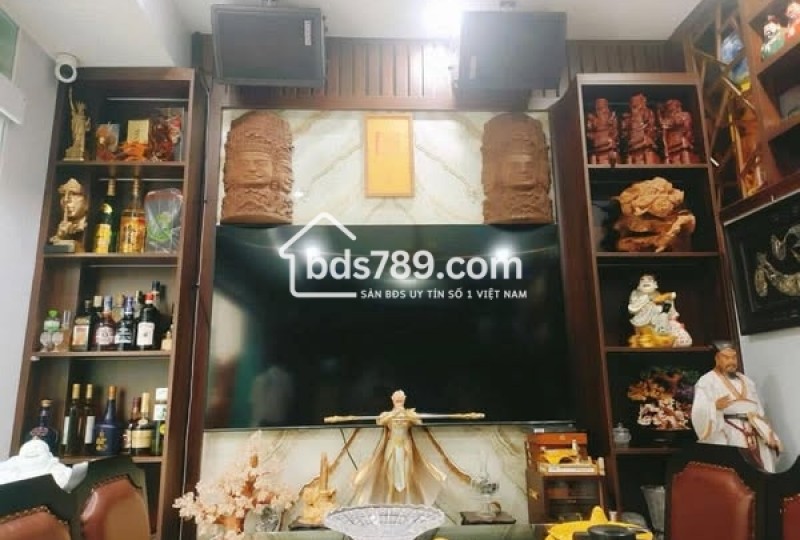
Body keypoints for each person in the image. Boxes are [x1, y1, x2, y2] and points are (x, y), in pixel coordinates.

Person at [691, 341, 782, 471]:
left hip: (754, 430)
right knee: (735, 469)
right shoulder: (707, 381)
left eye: (734, 358)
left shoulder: (747, 381)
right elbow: (699, 411)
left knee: (763, 467)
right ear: (717, 359)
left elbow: (759, 412)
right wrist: (715, 406)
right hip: (728, 430)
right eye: (726, 358)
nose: (731, 362)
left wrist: (769, 434)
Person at [350, 390, 446, 505]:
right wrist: (394, 414)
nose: (399, 400)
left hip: (405, 447)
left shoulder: (409, 414)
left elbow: (418, 422)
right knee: (390, 475)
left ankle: (408, 502)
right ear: (392, 399)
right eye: (396, 398)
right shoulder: (386, 414)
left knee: (407, 475)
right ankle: (389, 502)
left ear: (404, 399)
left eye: (401, 398)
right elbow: (380, 421)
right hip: (392, 447)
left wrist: (407, 415)